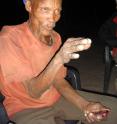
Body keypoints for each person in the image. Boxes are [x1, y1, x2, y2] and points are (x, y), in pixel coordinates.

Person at [0, 0, 117, 124]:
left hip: (58, 99)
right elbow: (34, 92)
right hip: (25, 109)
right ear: (29, 6)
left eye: (58, 11)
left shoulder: (55, 38)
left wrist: (85, 104)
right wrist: (59, 58)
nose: (53, 18)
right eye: (46, 9)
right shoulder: (9, 39)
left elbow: (58, 80)